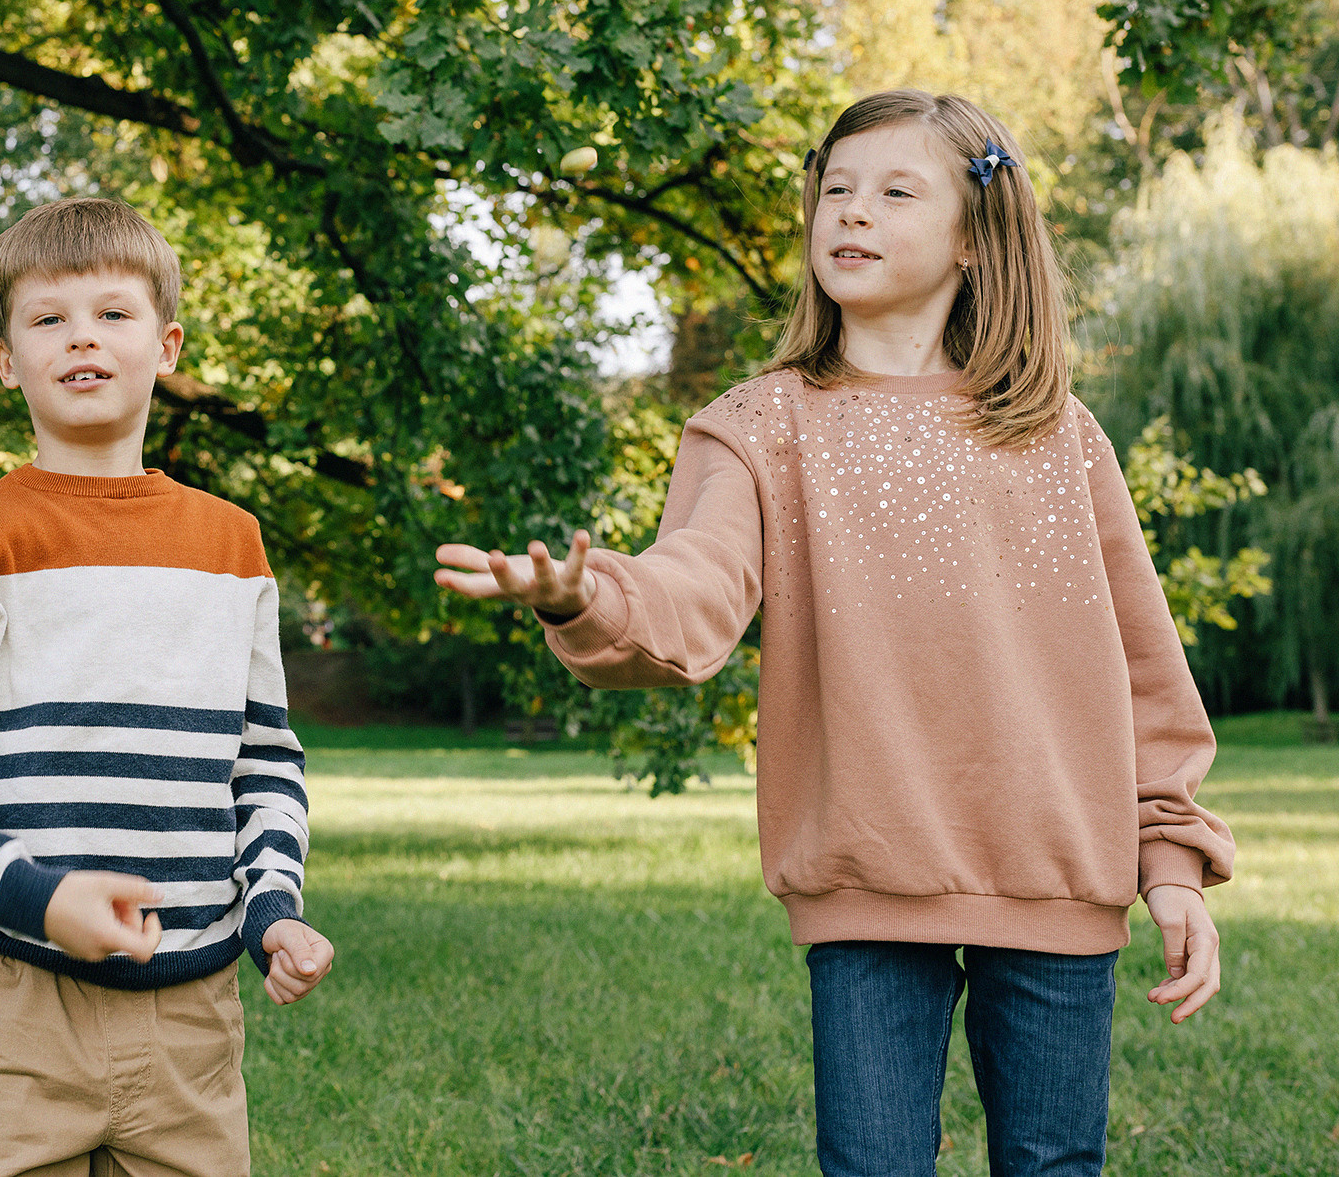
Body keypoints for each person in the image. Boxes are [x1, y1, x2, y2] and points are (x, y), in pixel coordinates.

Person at [434, 90, 1234, 1177]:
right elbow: (693, 584)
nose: (850, 211)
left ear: (974, 236)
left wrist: (1170, 861)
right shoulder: (761, 424)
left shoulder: (1057, 433)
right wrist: (588, 598)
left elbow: (1143, 665)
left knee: (1054, 1165)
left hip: (1057, 875)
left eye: (896, 192)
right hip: (867, 875)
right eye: (836, 189)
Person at [0, 197, 334, 1177]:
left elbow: (262, 761)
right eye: (48, 318)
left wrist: (273, 906)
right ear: (6, 360)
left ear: (165, 346)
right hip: (9, 998)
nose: (82, 335)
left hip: (191, 1007)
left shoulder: (232, 544)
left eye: (113, 313)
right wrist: (35, 897)